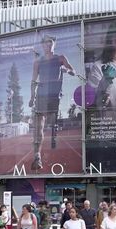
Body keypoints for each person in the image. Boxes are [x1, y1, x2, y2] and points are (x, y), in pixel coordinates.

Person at [29, 34, 76, 170]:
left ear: (54, 44)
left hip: (54, 96)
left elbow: (73, 71)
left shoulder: (60, 58)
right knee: (39, 127)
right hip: (41, 96)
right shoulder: (38, 62)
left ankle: (53, 142)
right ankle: (37, 156)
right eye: (45, 43)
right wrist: (32, 97)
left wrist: (65, 69)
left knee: (52, 125)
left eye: (50, 42)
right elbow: (33, 80)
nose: (48, 45)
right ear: (42, 45)